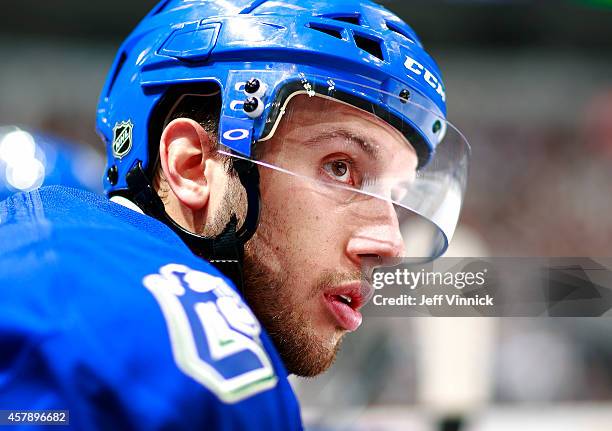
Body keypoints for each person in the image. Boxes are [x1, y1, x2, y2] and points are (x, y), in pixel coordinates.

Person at [0, 0, 469, 429]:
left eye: (397, 195)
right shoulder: (171, 342)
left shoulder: (58, 258)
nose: (392, 245)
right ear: (193, 167)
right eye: (341, 168)